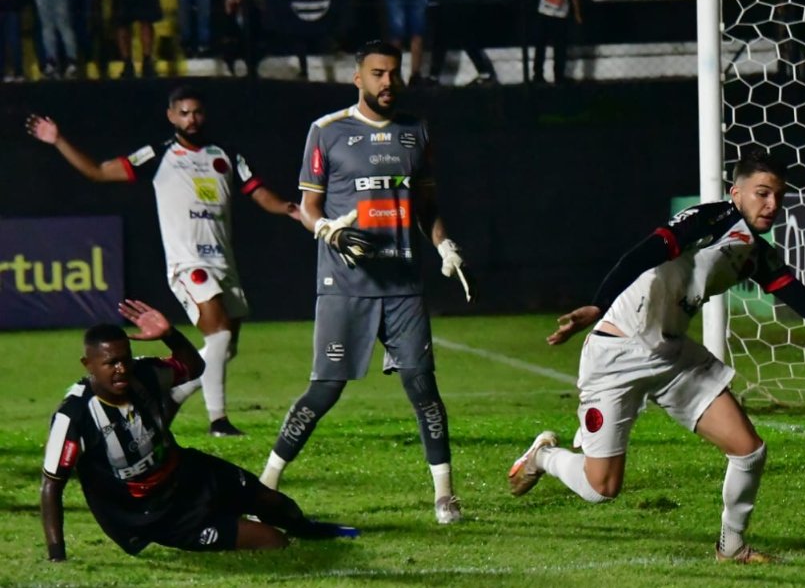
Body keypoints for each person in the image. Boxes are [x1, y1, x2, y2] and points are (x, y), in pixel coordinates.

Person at [506, 149, 805, 563]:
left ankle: (731, 546)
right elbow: (643, 253)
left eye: (778, 196)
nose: (771, 205)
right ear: (736, 193)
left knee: (749, 450)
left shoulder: (758, 255)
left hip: (672, 356)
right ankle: (545, 457)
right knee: (601, 489)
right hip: (618, 352)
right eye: (762, 193)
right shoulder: (709, 219)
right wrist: (598, 303)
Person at [259, 40, 472, 526]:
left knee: (423, 388)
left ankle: (446, 495)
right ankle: (265, 487)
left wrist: (443, 244)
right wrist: (326, 228)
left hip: (403, 285)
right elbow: (309, 207)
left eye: (394, 73)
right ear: (358, 78)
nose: (387, 83)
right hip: (345, 283)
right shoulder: (326, 132)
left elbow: (426, 206)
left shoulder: (416, 131)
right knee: (324, 390)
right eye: (377, 73)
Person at [26, 85, 301, 437]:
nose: (191, 119)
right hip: (189, 264)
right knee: (216, 337)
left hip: (223, 263)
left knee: (225, 348)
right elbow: (97, 172)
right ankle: (218, 421)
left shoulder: (226, 155)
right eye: (183, 112)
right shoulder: (159, 155)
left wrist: (288, 208)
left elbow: (259, 193)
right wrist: (58, 139)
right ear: (171, 116)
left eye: (197, 112)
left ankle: (173, 395)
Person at [40, 300, 358, 561]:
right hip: (158, 515)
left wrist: (170, 334)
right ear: (88, 364)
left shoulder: (144, 374)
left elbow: (194, 368)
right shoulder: (74, 416)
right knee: (273, 542)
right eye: (111, 363)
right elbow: (51, 486)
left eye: (124, 360)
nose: (121, 369)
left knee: (275, 503)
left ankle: (310, 530)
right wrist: (57, 555)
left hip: (189, 473)